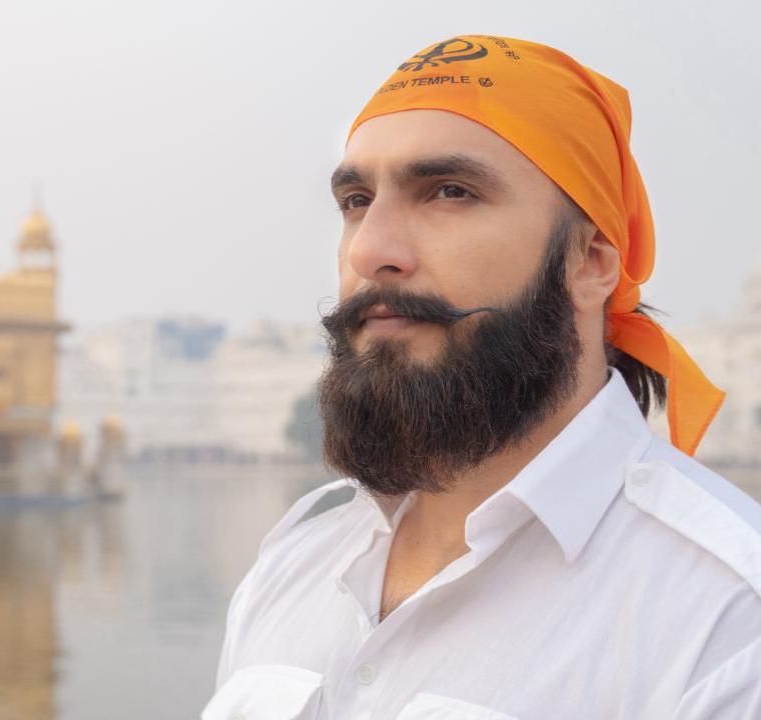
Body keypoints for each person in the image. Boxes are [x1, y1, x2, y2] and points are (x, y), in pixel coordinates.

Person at [203, 35, 761, 719]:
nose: (371, 250)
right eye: (355, 200)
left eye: (450, 192)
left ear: (590, 261)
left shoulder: (726, 622)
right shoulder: (293, 568)